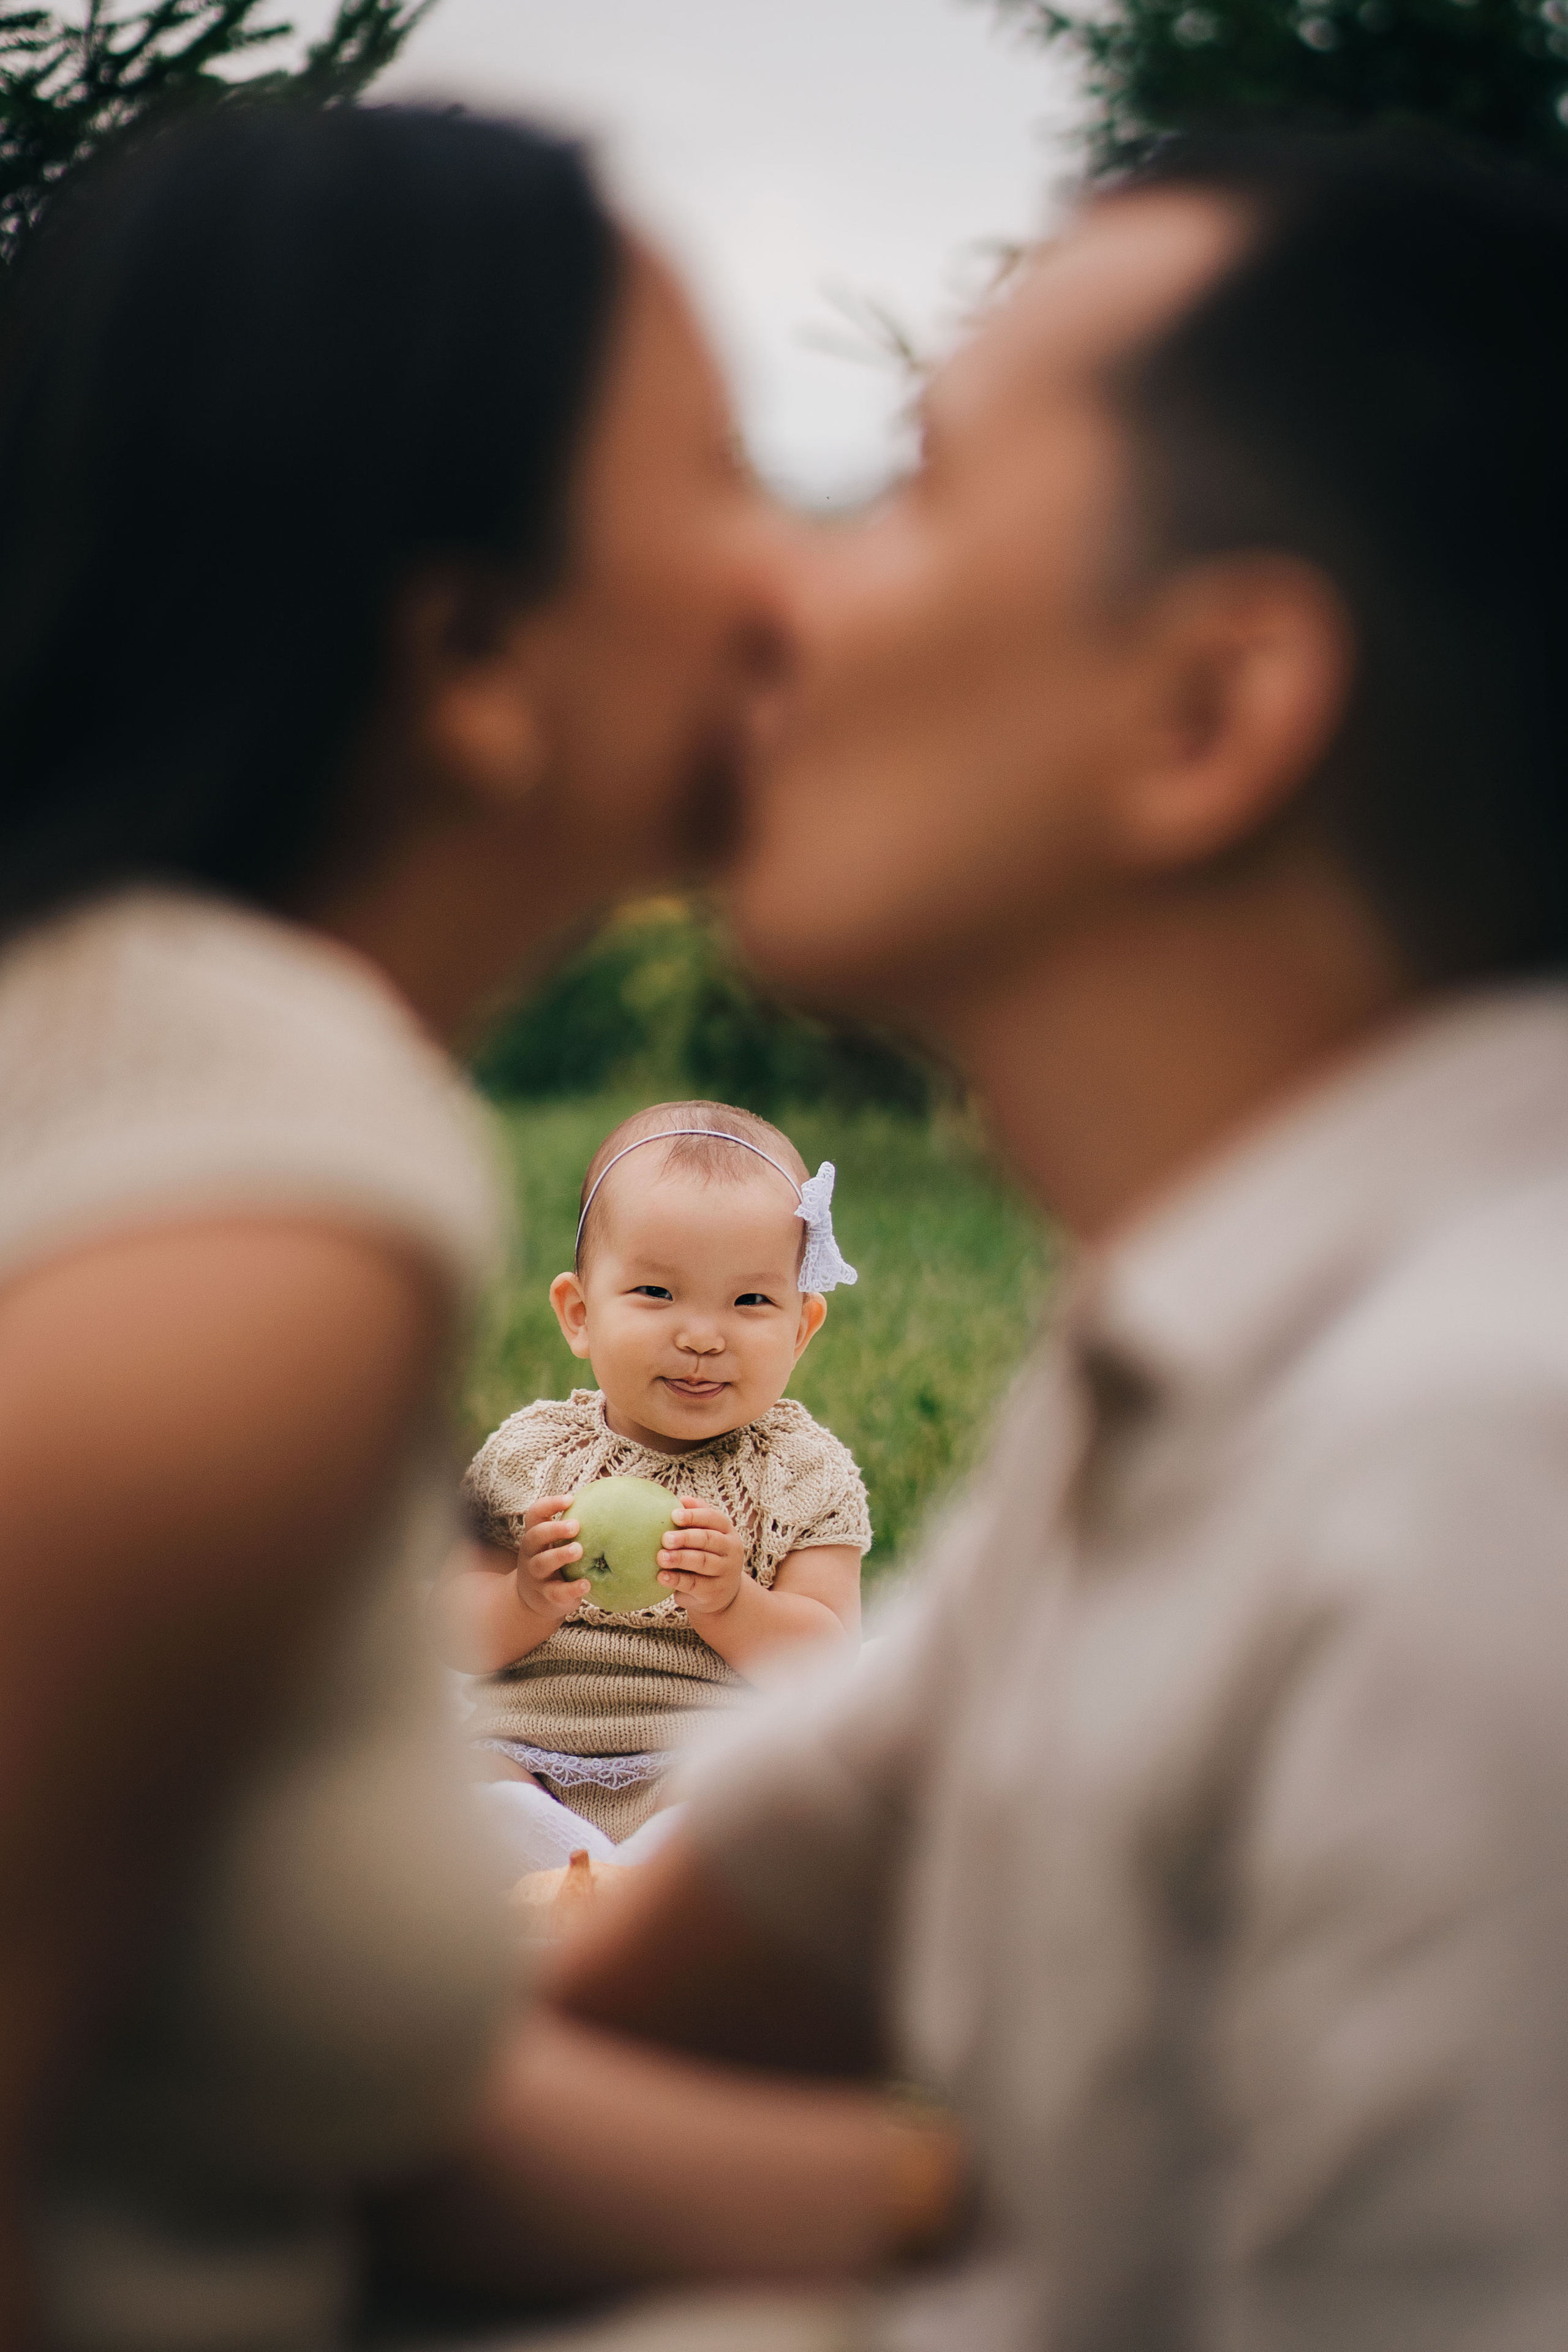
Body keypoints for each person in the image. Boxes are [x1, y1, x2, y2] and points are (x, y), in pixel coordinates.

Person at [500, 134, 1568, 2350]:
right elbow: (628, 2012)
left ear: (1202, 713)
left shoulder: (1479, 1472)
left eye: (910, 489)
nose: (767, 600)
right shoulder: (1197, 1368)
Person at [0, 99, 940, 2350]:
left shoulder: (168, 1062)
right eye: (723, 483)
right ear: (471, 656)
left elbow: (313, 2111)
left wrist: (977, 2189)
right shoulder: (261, 1203)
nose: (792, 576)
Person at [434, 1099, 869, 1864]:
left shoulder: (804, 1471)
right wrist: (522, 1597)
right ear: (578, 1314)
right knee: (451, 1775)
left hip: (698, 1759)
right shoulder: (527, 1454)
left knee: (768, 1789)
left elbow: (829, 1664)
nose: (701, 1335)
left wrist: (735, 1603)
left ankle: (628, 1875)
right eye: (657, 1294)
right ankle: (563, 1852)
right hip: (527, 1750)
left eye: (750, 1301)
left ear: (801, 1328)